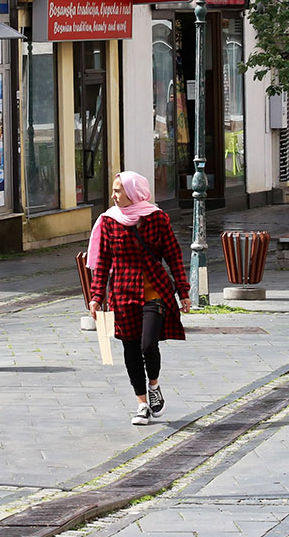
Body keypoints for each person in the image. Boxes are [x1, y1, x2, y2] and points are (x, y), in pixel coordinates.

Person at [87, 171, 191, 425]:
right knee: (130, 349)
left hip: (155, 291)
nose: (113, 196)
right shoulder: (109, 221)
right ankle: (142, 403)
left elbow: (173, 255)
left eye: (118, 191)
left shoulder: (157, 219)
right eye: (113, 190)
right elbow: (102, 262)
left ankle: (154, 386)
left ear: (133, 192)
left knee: (147, 345)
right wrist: (96, 296)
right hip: (122, 294)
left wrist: (184, 292)